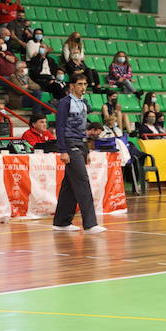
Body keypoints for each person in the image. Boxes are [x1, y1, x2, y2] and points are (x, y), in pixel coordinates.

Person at [54, 74, 103, 233]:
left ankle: (61, 222)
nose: (83, 87)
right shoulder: (64, 103)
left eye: (85, 84)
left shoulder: (83, 103)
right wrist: (63, 150)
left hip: (80, 145)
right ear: (72, 86)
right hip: (69, 145)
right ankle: (90, 224)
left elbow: (82, 129)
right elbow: (60, 127)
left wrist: (86, 149)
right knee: (82, 182)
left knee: (69, 185)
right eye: (80, 84)